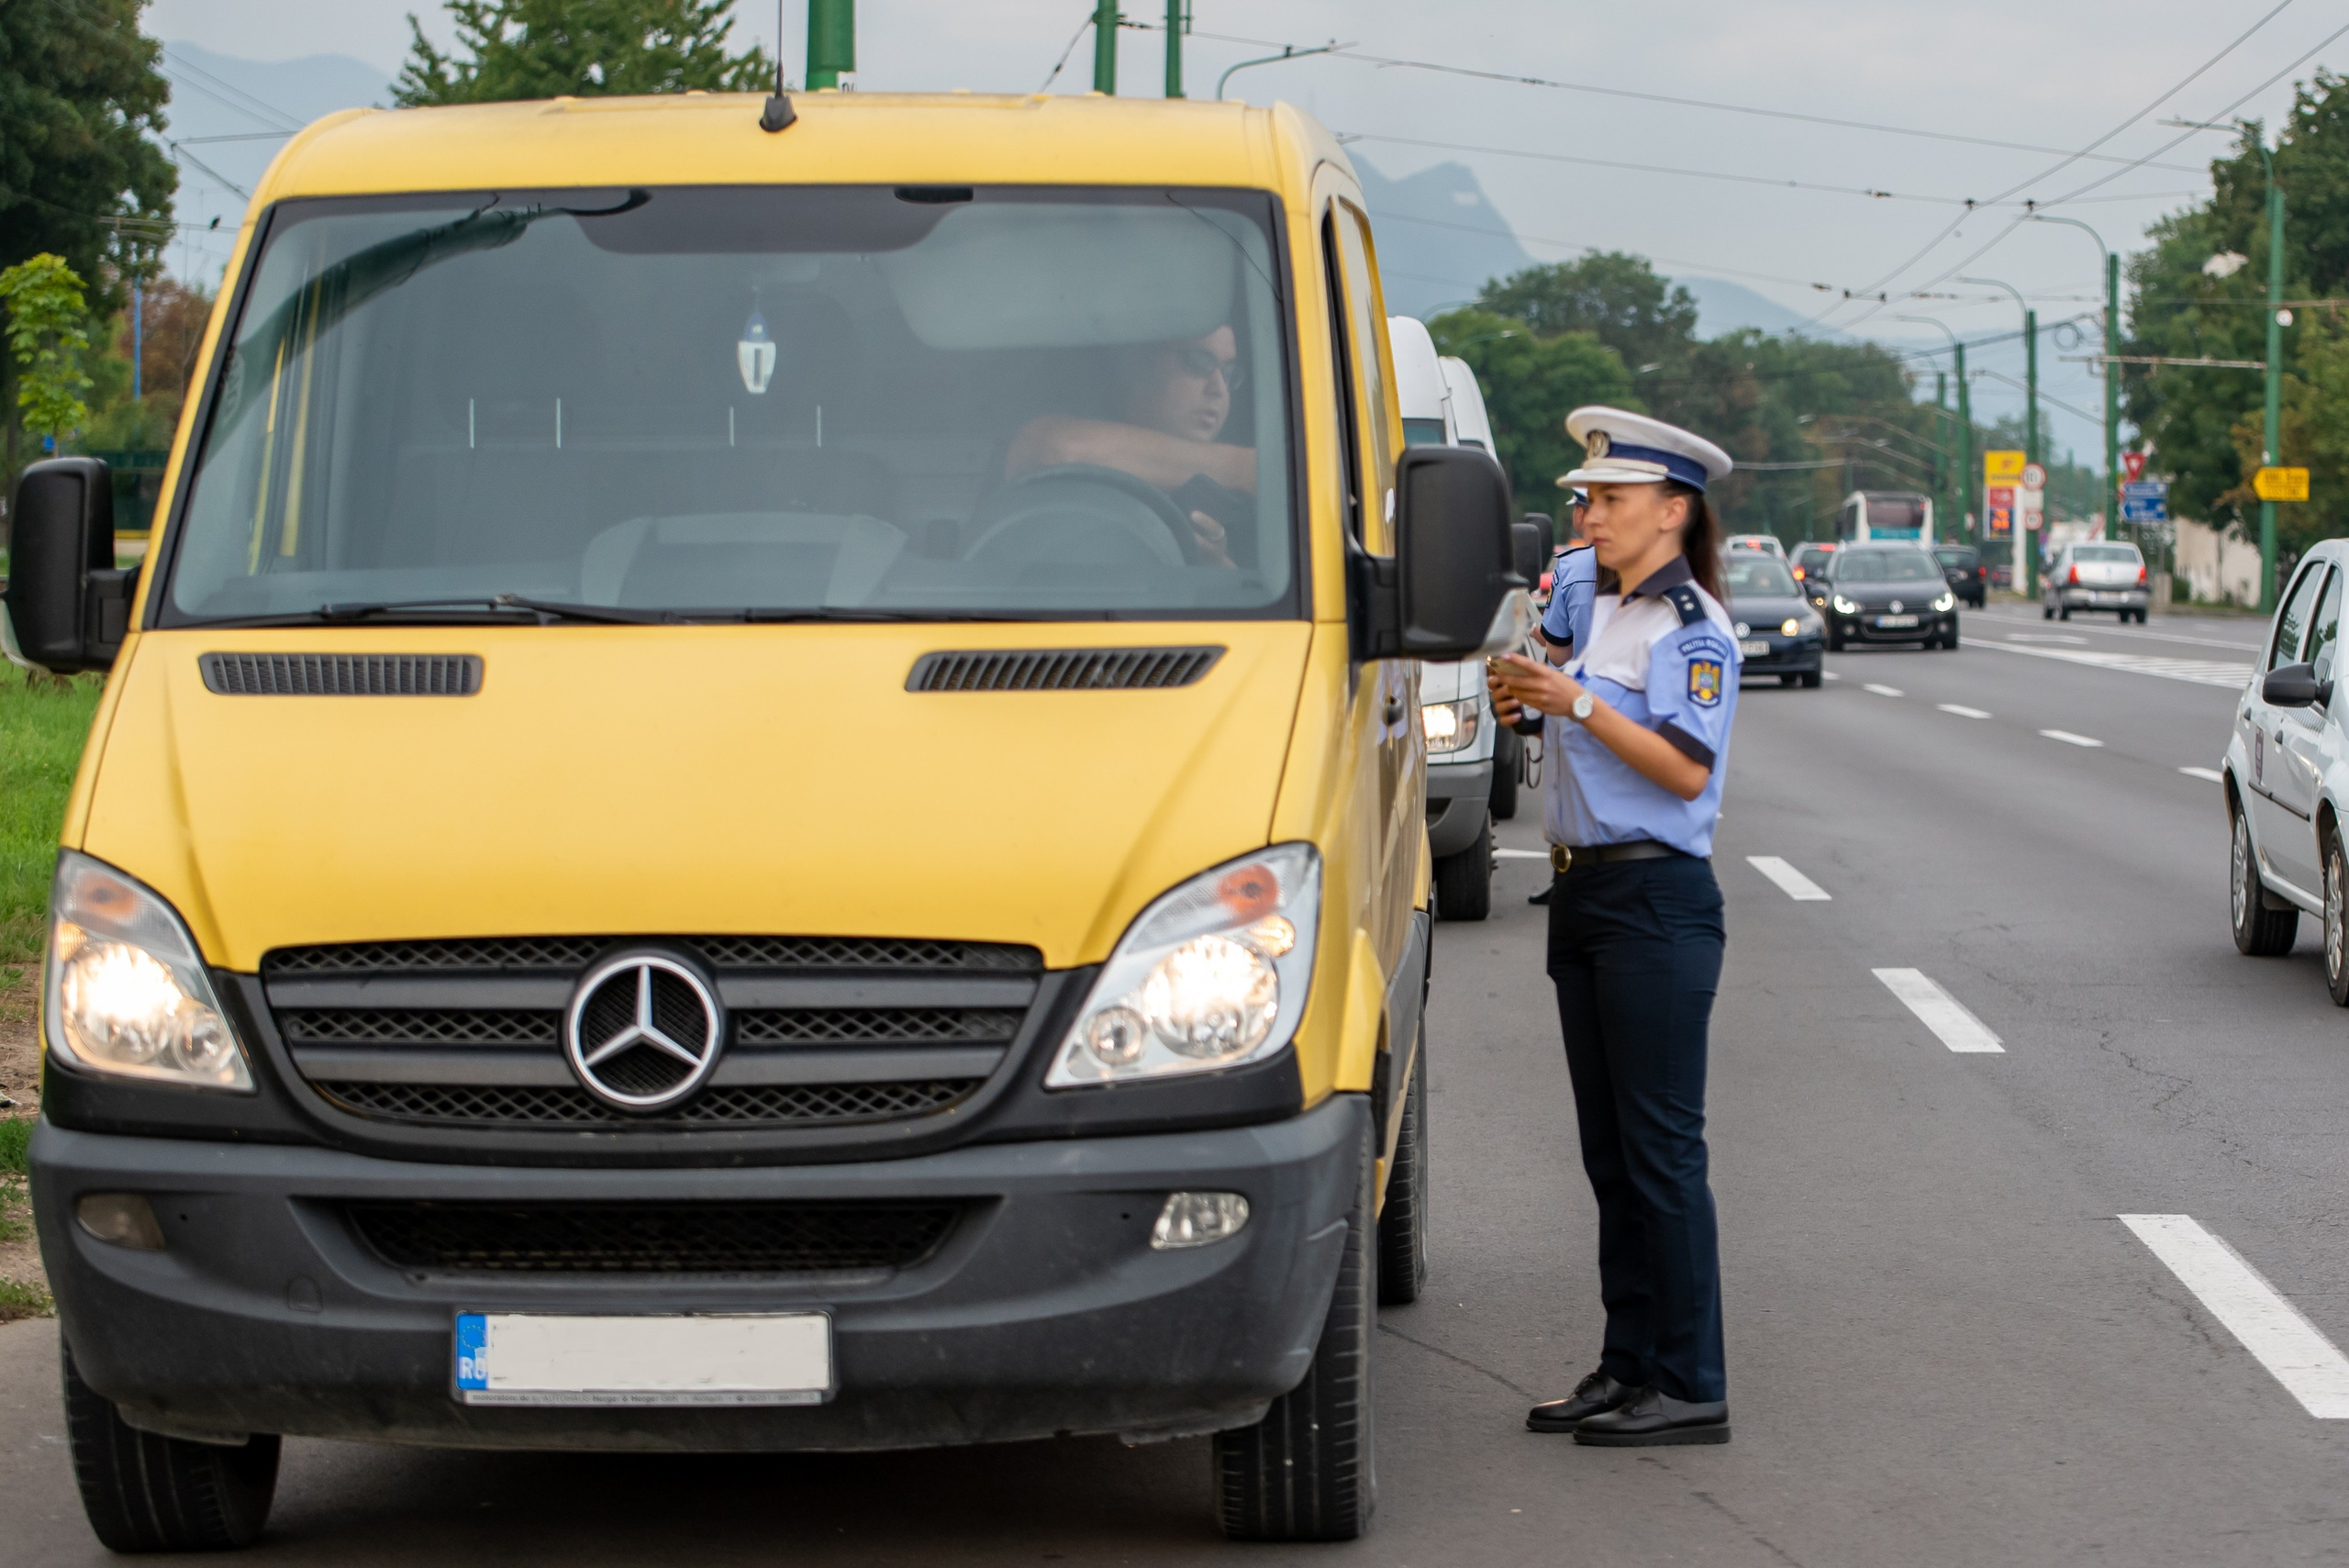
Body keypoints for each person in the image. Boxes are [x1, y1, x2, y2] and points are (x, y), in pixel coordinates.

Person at [1486, 406, 1740, 1448]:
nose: (1586, 511)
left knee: (1661, 1152)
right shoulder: (1595, 610)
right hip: (1585, 893)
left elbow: (1684, 767)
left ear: (1672, 511)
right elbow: (1559, 701)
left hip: (1655, 901)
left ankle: (1689, 1382)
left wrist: (1576, 701)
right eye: (1583, 496)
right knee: (1610, 1155)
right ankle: (1626, 1363)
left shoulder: (1694, 630)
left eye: (1609, 498)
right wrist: (1528, 694)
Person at [1006, 326, 1252, 567]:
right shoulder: (1234, 474)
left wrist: (1218, 570)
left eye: (1228, 374)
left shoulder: (1235, 508)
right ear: (1135, 365)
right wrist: (1236, 467)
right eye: (1199, 362)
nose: (1218, 389)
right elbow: (1050, 448)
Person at [1527, 489, 1598, 906]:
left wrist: (1534, 627)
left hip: (1572, 705)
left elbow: (1560, 651)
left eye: (1579, 506)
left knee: (1567, 800)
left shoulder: (1573, 567)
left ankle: (1567, 881)